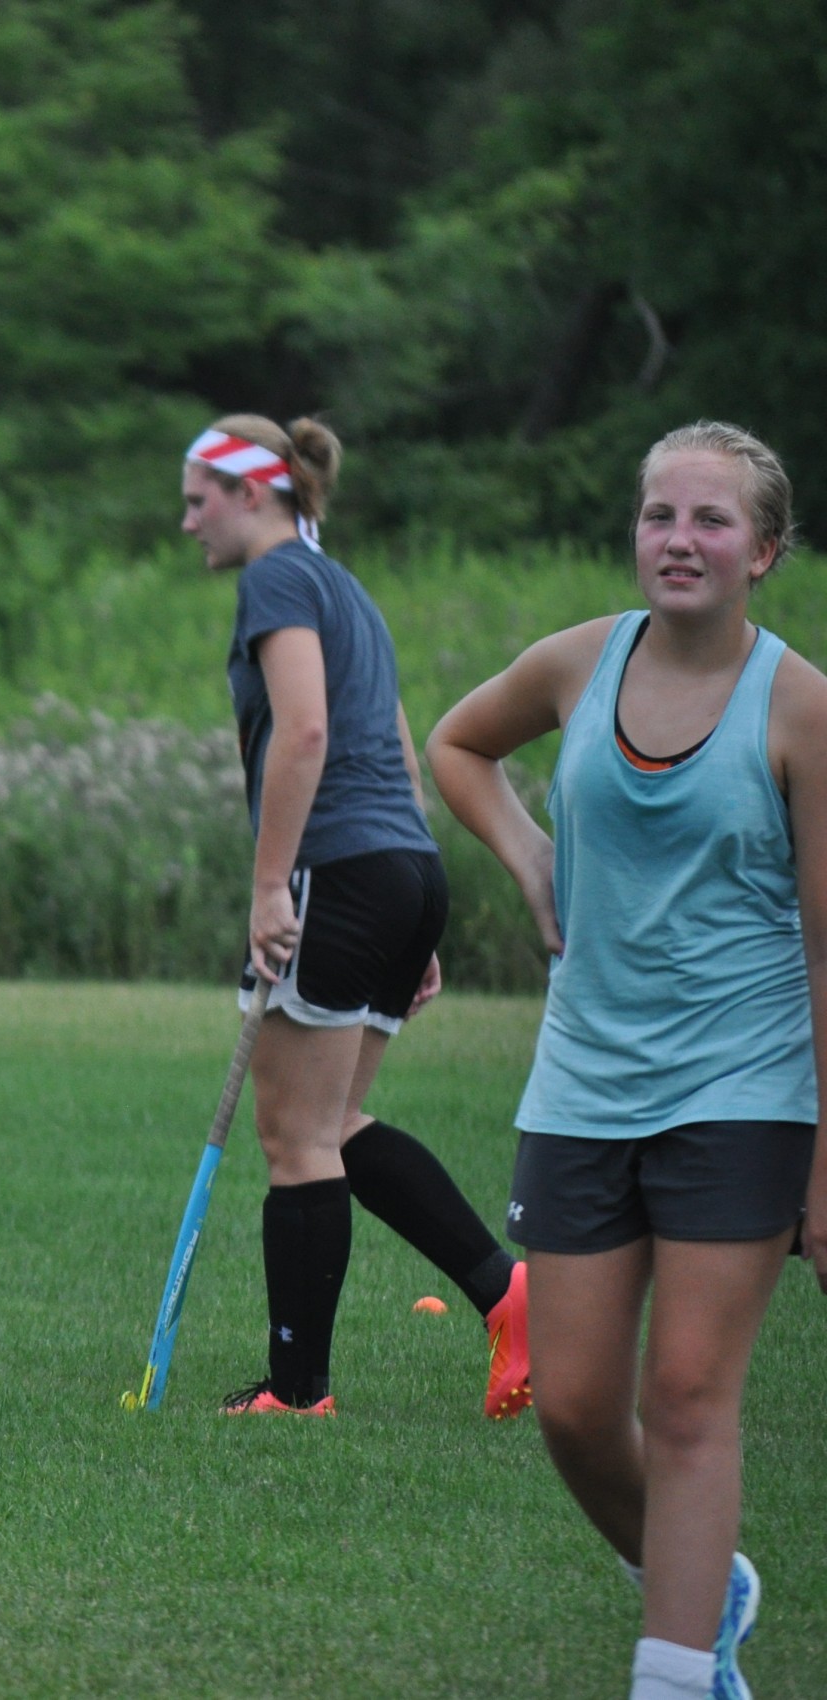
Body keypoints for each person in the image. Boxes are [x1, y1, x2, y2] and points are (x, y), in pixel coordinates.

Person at [429, 421, 823, 1700]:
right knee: (576, 1405)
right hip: (584, 1082)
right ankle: (707, 1586)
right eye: (660, 515)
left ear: (762, 549)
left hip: (746, 1088)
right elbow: (457, 744)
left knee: (692, 1391)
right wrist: (531, 854)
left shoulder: (802, 707)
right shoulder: (579, 662)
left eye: (711, 520)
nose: (679, 539)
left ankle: (675, 1671)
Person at [179, 414, 530, 1418]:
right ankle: (506, 1291)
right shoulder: (345, 585)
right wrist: (415, 917)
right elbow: (398, 744)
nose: (185, 519)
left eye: (198, 496)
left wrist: (266, 885)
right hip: (398, 870)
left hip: (339, 869)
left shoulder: (278, 577)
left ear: (253, 492)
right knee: (329, 1123)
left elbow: (308, 730)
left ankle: (296, 1394)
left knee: (294, 1135)